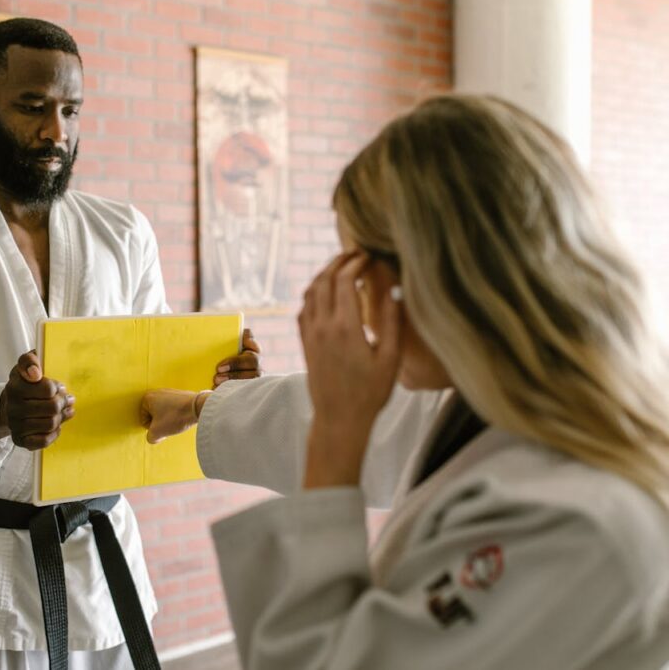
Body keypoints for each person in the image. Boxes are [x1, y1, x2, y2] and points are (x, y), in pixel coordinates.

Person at [142, 94, 669, 669]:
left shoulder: (573, 525)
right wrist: (200, 407)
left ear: (428, 275)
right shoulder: (512, 399)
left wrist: (338, 435)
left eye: (356, 273)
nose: (357, 306)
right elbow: (388, 420)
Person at [0, 17, 260, 670]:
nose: (56, 132)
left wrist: (216, 388)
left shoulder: (123, 229)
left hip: (98, 556)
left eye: (70, 110)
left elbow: (145, 377)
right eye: (33, 108)